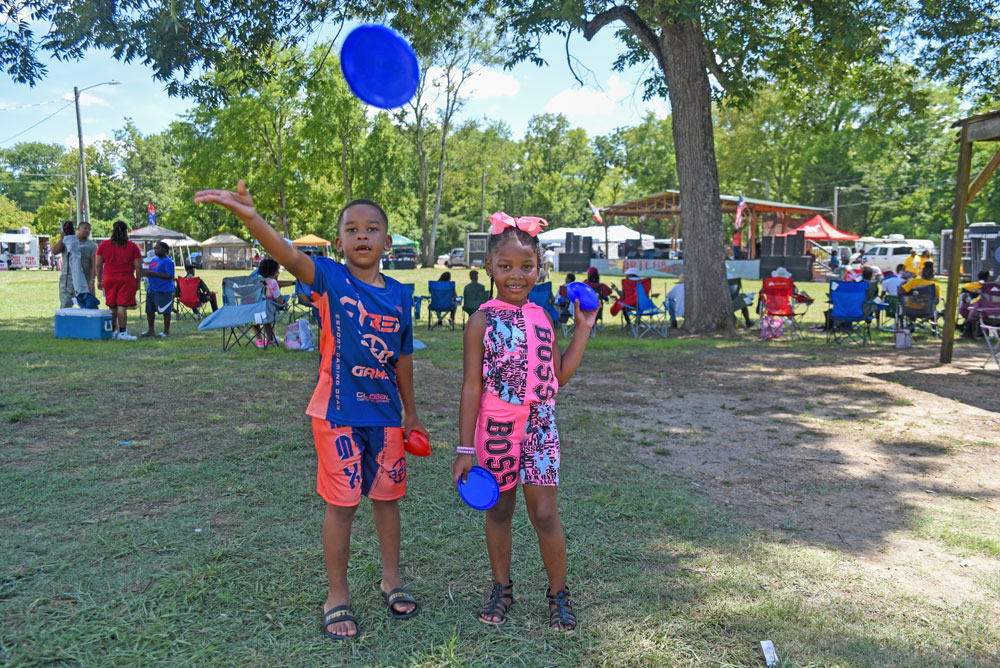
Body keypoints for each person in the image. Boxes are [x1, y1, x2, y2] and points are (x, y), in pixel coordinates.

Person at [195, 183, 427, 641]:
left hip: (386, 417)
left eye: (372, 229)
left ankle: (391, 580)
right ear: (338, 242)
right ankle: (336, 595)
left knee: (387, 500)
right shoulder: (329, 278)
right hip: (337, 413)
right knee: (341, 506)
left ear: (386, 240)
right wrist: (250, 218)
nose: (362, 236)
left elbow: (403, 358)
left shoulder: (400, 295)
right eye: (352, 229)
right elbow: (284, 253)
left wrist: (412, 415)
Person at [452, 211, 597, 633]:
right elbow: (471, 389)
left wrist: (583, 327)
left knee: (546, 514)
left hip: (540, 427)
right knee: (498, 511)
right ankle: (501, 589)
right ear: (489, 268)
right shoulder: (481, 320)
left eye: (526, 266)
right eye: (506, 267)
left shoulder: (543, 318)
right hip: (496, 430)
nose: (517, 276)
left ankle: (558, 595)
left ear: (539, 267)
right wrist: (465, 449)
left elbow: (557, 378)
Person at [96, 221, 143, 341]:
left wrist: (99, 280)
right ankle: (122, 332)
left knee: (112, 306)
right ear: (126, 231)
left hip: (109, 278)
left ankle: (112, 331)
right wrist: (137, 280)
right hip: (126, 278)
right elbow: (138, 266)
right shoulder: (132, 246)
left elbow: (98, 264)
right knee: (122, 305)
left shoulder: (103, 245)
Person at [52, 220, 97, 308]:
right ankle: (65, 322)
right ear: (78, 228)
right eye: (85, 228)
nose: (87, 230)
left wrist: (92, 280)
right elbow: (55, 251)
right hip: (68, 280)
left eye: (89, 229)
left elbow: (94, 265)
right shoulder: (68, 240)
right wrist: (63, 238)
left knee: (89, 307)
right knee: (65, 306)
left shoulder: (92, 245)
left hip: (85, 281)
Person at [142, 241, 175, 337]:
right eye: (155, 248)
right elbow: (151, 271)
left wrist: (154, 274)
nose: (155, 250)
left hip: (164, 290)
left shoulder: (168, 261)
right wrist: (148, 273)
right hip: (152, 289)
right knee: (150, 310)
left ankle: (166, 331)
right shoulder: (154, 260)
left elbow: (170, 276)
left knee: (165, 311)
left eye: (158, 248)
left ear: (165, 250)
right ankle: (151, 330)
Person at [252, 257, 285, 347]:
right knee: (267, 312)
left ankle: (259, 340)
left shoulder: (253, 281)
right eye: (277, 271)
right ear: (273, 272)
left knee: (257, 315)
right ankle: (270, 339)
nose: (278, 273)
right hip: (266, 312)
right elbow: (279, 301)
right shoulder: (272, 282)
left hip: (251, 311)